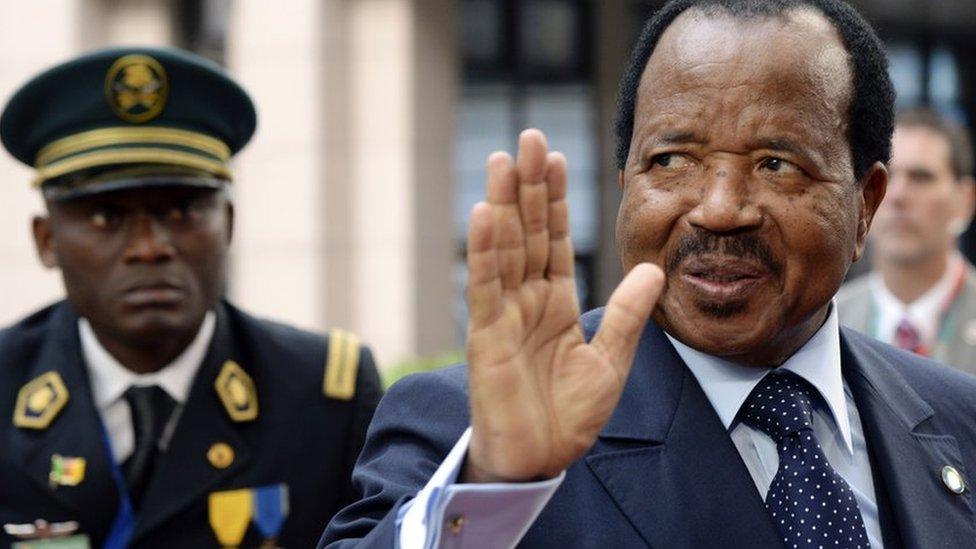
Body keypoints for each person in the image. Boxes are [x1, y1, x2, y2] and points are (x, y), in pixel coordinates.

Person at [321, 1, 976, 548]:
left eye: (776, 163)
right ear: (624, 184)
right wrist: (496, 488)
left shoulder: (957, 419)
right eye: (671, 160)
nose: (720, 208)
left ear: (866, 201)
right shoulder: (473, 435)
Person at [0, 47, 382, 548]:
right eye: (105, 217)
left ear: (227, 224)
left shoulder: (325, 394)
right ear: (46, 240)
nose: (149, 247)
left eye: (181, 210)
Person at [837, 109, 976, 375]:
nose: (897, 195)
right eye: (884, 176)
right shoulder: (824, 325)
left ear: (965, 200)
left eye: (920, 177)